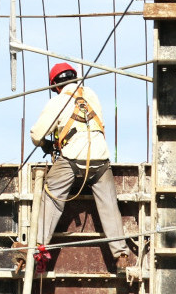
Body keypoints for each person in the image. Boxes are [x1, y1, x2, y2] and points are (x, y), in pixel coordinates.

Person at [26, 62, 133, 272]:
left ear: (55, 86)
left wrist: (47, 145)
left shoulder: (59, 100)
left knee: (52, 195)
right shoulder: (92, 95)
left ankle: (39, 246)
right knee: (110, 205)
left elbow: (36, 134)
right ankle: (121, 254)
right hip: (101, 159)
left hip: (73, 159)